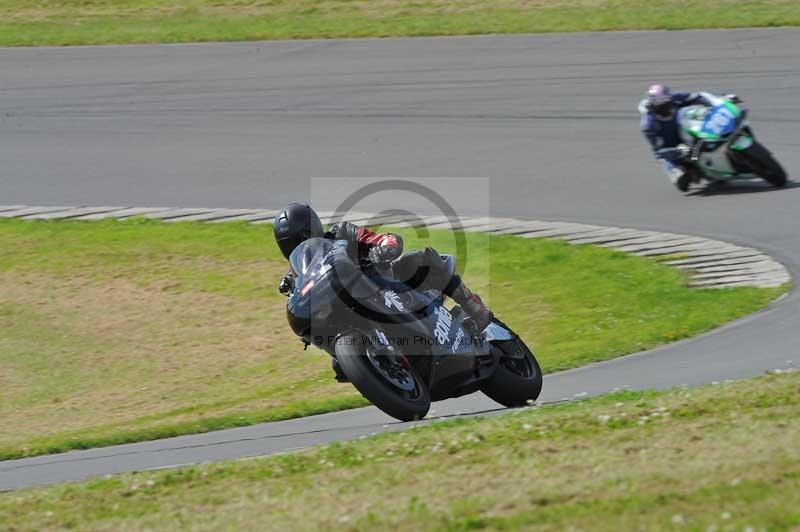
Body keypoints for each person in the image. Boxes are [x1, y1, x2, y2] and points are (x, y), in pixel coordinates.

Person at [274, 203, 494, 379]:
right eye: (290, 243)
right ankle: (380, 366)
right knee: (339, 364)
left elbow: (382, 238)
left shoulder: (342, 233)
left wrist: (385, 246)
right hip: (351, 311)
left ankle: (473, 306)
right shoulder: (295, 276)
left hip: (387, 284)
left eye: (301, 237)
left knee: (420, 261)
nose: (298, 245)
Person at [639, 84, 738, 192]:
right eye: (659, 106)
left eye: (666, 103)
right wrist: (681, 151)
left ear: (669, 98)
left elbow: (698, 96)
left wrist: (720, 100)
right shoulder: (648, 125)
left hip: (688, 130)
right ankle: (684, 172)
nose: (664, 107)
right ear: (652, 106)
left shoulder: (674, 97)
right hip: (673, 146)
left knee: (704, 137)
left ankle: (723, 156)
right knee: (681, 180)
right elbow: (660, 149)